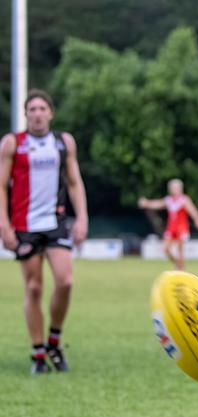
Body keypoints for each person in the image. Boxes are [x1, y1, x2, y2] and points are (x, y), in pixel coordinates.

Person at [0, 89, 88, 374]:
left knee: (65, 281)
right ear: (26, 114)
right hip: (24, 226)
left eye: (42, 108)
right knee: (34, 288)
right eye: (32, 109)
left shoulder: (63, 143)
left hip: (55, 222)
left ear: (50, 112)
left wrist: (82, 217)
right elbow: (1, 186)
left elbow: (74, 183)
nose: (37, 113)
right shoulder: (13, 143)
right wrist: (4, 224)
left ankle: (54, 341)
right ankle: (38, 354)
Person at [138, 179, 198, 270]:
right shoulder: (169, 200)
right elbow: (157, 204)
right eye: (172, 188)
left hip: (182, 228)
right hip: (171, 228)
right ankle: (178, 264)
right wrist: (146, 203)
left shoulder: (184, 200)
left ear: (180, 189)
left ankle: (181, 270)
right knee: (165, 249)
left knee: (180, 250)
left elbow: (192, 211)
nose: (173, 190)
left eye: (175, 188)